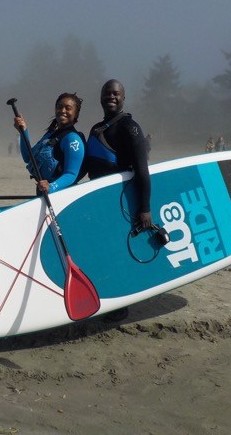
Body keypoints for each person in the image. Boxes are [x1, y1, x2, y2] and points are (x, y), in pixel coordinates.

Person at [85, 79, 152, 323]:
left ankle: (121, 304)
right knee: (101, 249)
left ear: (123, 97)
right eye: (107, 93)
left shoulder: (129, 126)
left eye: (116, 93)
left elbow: (142, 169)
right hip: (98, 199)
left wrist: (144, 208)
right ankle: (106, 296)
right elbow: (85, 166)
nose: (111, 97)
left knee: (117, 250)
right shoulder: (96, 128)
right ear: (101, 98)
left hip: (119, 200)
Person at [14, 92, 86, 194]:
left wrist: (51, 187)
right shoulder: (50, 134)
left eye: (68, 108)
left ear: (76, 114)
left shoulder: (73, 139)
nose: (62, 111)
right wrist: (23, 131)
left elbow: (71, 174)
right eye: (59, 107)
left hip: (62, 196)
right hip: (44, 193)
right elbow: (28, 158)